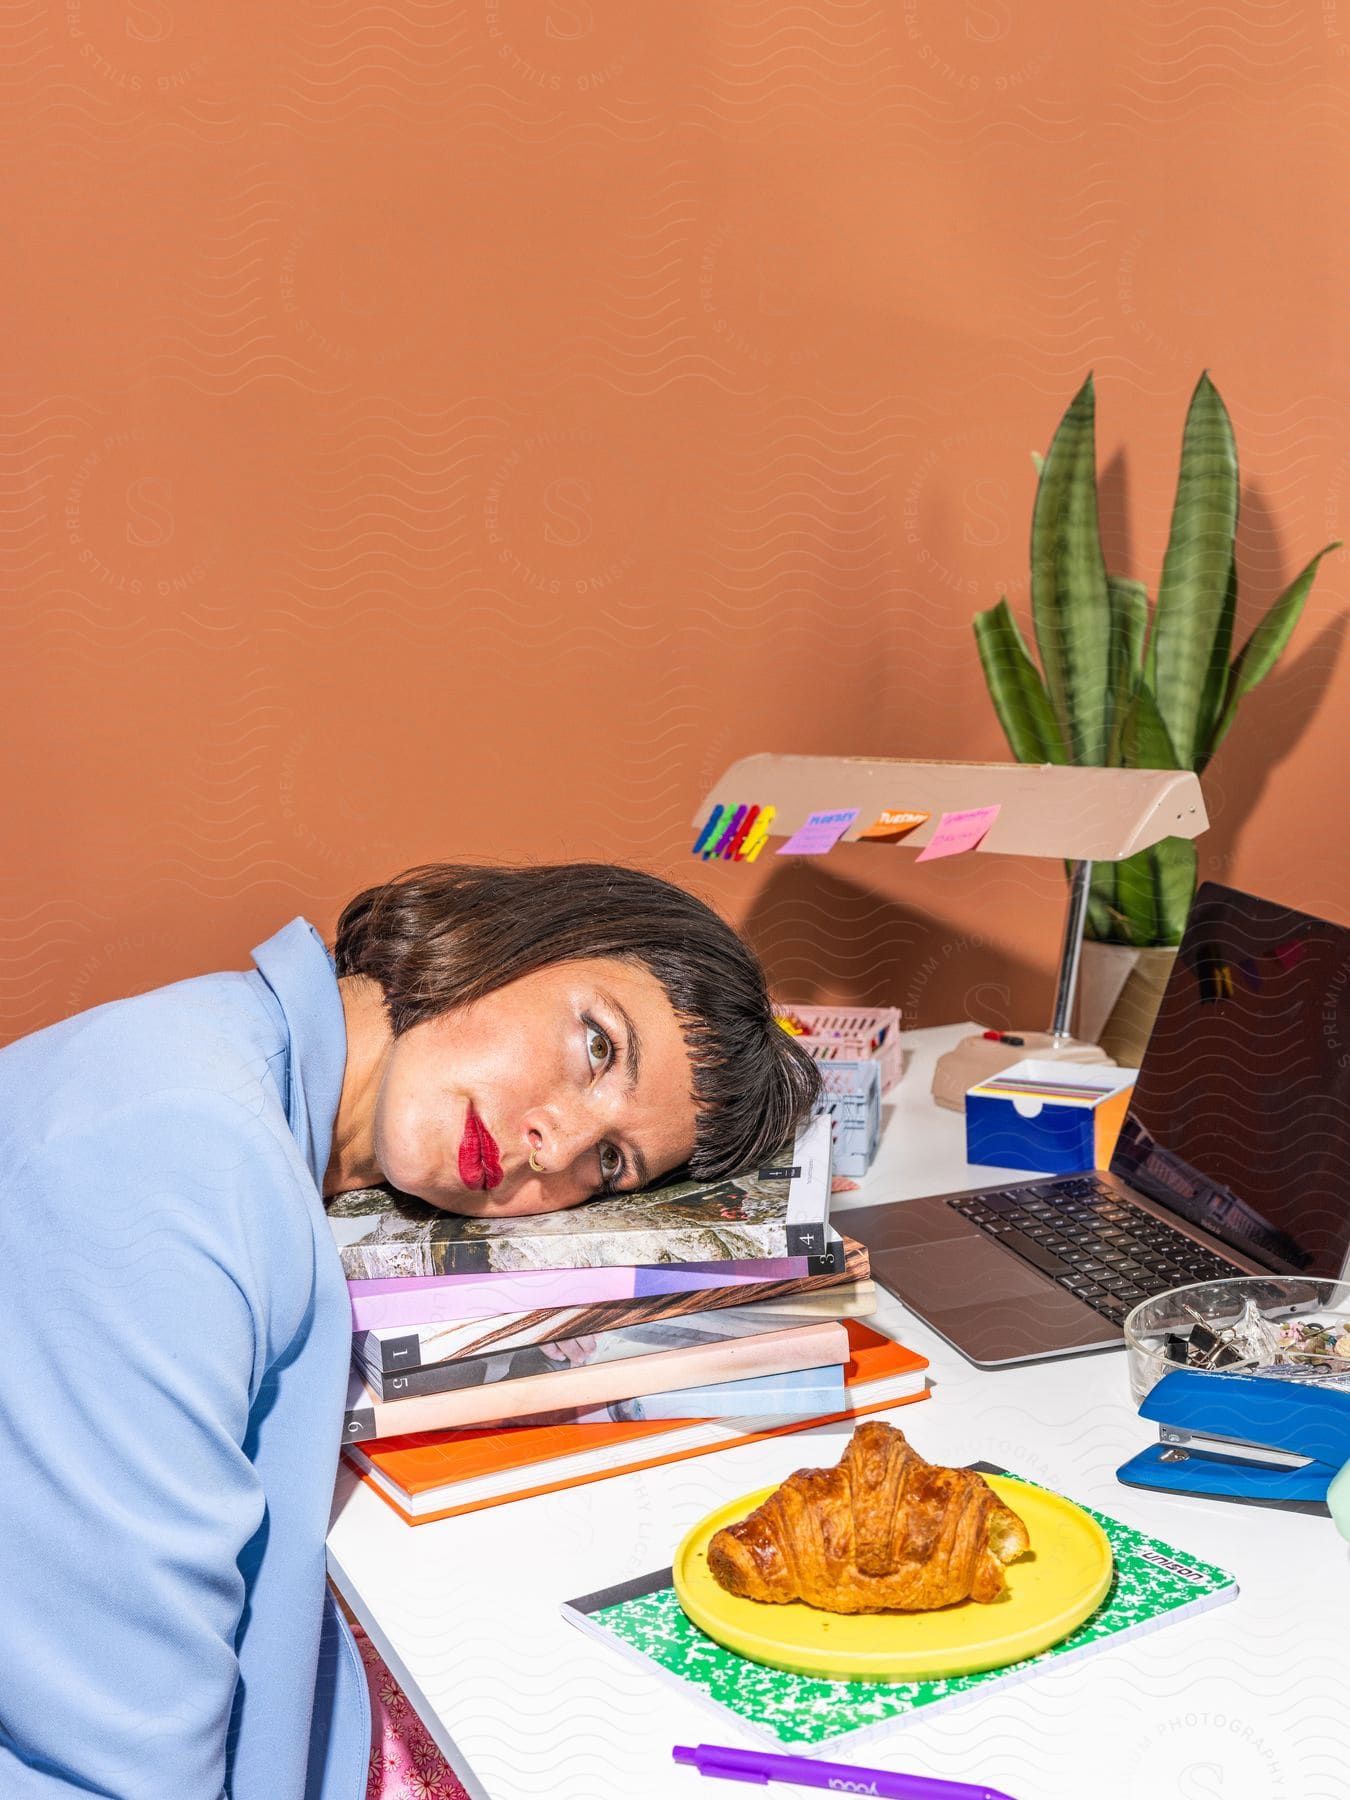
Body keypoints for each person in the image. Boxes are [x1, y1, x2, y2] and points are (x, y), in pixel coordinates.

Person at [0, 862, 820, 1798]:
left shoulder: (251, 1076)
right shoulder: (178, 1156)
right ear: (508, 936)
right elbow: (125, 1762)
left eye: (608, 1162)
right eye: (597, 1046)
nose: (554, 1144)